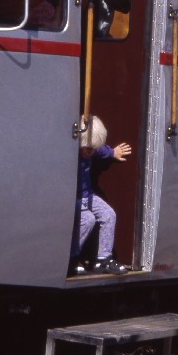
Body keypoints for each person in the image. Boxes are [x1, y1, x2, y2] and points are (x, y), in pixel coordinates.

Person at [73, 117, 131, 274]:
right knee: (88, 220)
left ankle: (102, 259)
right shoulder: (72, 153)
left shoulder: (91, 148)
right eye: (87, 148)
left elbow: (101, 150)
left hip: (87, 195)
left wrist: (113, 152)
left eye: (93, 149)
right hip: (73, 199)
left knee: (108, 214)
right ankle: (72, 258)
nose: (90, 152)